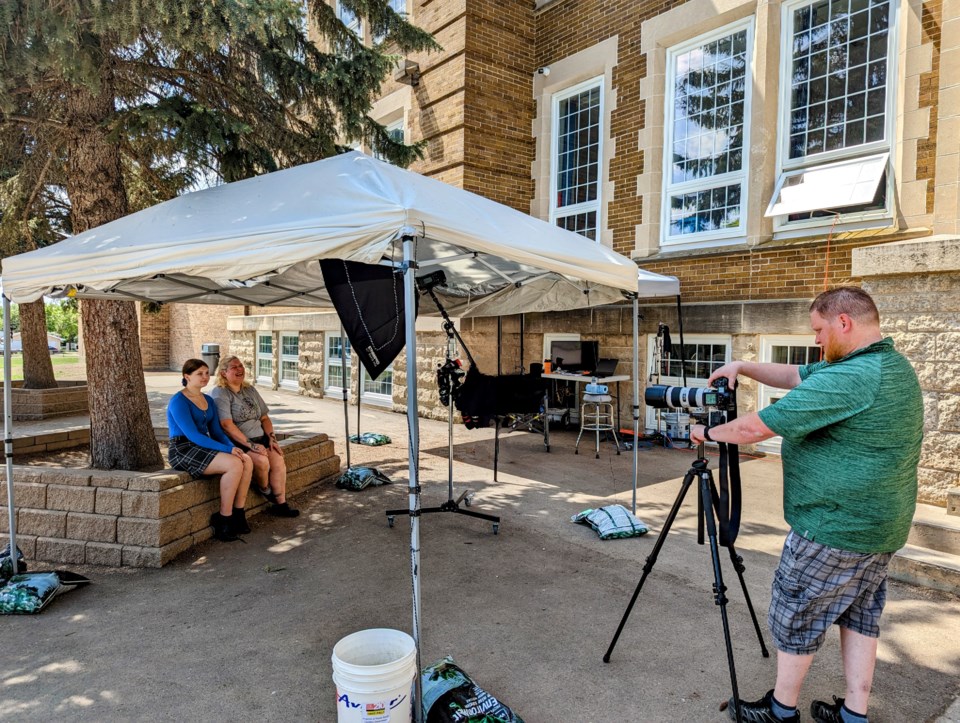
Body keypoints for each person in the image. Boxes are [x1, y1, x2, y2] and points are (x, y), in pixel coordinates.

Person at [688, 287, 922, 723]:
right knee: (859, 616)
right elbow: (796, 374)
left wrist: (707, 434)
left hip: (833, 527)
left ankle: (780, 711)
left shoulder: (850, 377)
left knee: (796, 613)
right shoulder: (888, 364)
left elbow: (756, 428)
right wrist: (742, 366)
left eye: (818, 330)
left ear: (844, 323)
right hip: (879, 527)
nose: (815, 340)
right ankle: (854, 715)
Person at [167, 359, 254, 542]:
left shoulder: (207, 400)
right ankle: (223, 519)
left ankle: (238, 514)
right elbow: (193, 436)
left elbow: (216, 432)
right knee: (233, 465)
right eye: (199, 374)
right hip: (183, 449)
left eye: (207, 373)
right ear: (187, 376)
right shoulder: (178, 401)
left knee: (246, 459)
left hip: (202, 445)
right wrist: (227, 451)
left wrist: (233, 448)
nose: (205, 377)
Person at [210, 355, 300, 518]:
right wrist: (251, 445)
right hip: (240, 441)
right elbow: (226, 425)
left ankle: (281, 504)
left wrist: (272, 439)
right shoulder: (220, 393)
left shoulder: (249, 389)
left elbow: (264, 418)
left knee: (278, 459)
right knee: (261, 461)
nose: (240, 369)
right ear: (223, 373)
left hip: (261, 437)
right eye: (234, 367)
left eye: (241, 366)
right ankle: (265, 489)